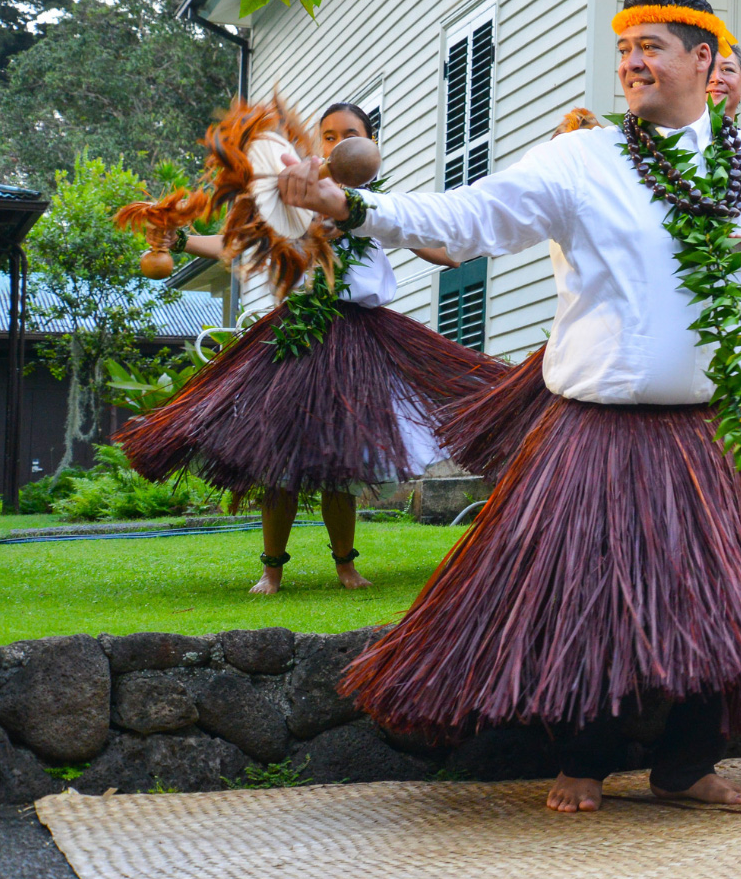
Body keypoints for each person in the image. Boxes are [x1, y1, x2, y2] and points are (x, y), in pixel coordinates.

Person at [283, 0, 741, 812]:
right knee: (593, 601)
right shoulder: (582, 161)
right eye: (624, 50)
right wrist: (347, 204)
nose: (632, 63)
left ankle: (689, 764)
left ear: (704, 59)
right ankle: (583, 759)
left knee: (730, 596)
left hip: (727, 429)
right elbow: (470, 217)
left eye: (650, 46)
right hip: (601, 432)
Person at [120, 101, 495, 595]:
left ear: (371, 143)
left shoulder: (381, 209)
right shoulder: (290, 199)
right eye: (331, 135)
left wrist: (486, 235)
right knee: (281, 460)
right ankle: (271, 570)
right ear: (320, 144)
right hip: (297, 338)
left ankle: (346, 565)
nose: (339, 144)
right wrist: (183, 236)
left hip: (360, 338)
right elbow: (235, 245)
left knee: (342, 461)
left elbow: (441, 251)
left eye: (351, 134)